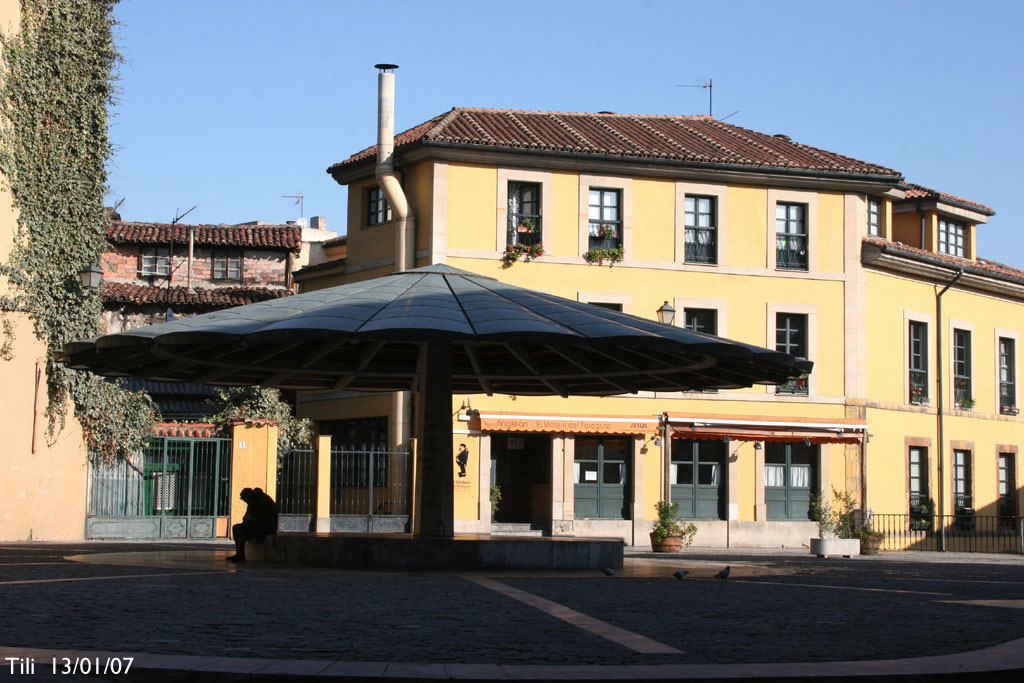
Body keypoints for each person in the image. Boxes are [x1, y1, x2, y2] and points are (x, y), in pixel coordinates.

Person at [227, 487, 278, 562]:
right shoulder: (253, 502)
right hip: (256, 525)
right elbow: (246, 517)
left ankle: (240, 554)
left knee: (242, 530)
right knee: (236, 527)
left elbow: (265, 518)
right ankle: (239, 553)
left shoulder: (263, 502)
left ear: (249, 497)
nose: (246, 502)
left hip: (266, 527)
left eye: (246, 500)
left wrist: (251, 519)